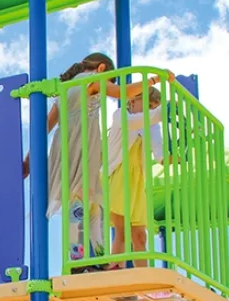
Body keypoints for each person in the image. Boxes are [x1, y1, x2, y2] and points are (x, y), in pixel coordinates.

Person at [23, 53, 151, 266]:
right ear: (101, 69)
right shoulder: (94, 80)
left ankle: (82, 258)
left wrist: (29, 159)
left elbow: (44, 126)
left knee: (81, 200)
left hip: (64, 145)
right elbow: (123, 94)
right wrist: (153, 80)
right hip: (83, 145)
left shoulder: (65, 90)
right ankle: (87, 260)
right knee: (88, 201)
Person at [106, 85, 163, 266]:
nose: (151, 111)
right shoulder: (121, 115)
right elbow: (132, 123)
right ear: (132, 100)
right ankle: (115, 274)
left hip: (137, 181)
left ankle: (144, 282)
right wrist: (162, 111)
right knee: (122, 231)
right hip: (119, 175)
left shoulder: (152, 125)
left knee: (140, 236)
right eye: (148, 105)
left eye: (154, 107)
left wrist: (168, 158)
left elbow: (158, 150)